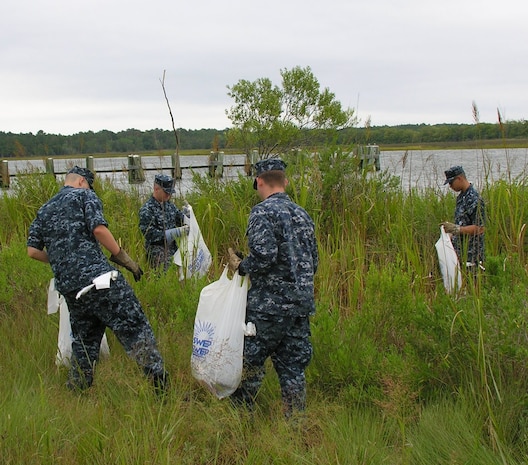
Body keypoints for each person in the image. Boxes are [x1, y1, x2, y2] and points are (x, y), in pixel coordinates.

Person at [27, 166, 168, 392]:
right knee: (135, 328)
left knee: (84, 343)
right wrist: (125, 260)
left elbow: (32, 251)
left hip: (72, 290)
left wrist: (60, 260)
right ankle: (161, 386)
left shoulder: (44, 210)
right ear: (83, 181)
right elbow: (99, 230)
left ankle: (77, 391)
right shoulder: (85, 195)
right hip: (100, 281)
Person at [227, 158, 318, 417]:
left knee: (250, 364)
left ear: (259, 181)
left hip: (268, 308)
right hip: (299, 306)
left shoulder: (262, 212)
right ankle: (295, 424)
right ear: (285, 182)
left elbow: (264, 256)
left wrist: (242, 266)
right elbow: (313, 261)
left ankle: (240, 420)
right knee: (293, 369)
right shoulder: (303, 214)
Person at [139, 174, 189, 270]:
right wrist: (174, 233)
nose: (169, 195)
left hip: (173, 249)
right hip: (157, 253)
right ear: (156, 189)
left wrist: (187, 216)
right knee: (164, 279)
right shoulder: (147, 209)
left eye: (170, 193)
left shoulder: (169, 205)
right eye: (166, 192)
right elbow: (149, 234)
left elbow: (180, 220)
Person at [441, 165, 486, 273]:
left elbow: (480, 228)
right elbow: (463, 222)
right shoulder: (462, 197)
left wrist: (457, 229)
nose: (450, 186)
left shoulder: (474, 199)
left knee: (473, 284)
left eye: (451, 182)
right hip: (460, 253)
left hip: (472, 255)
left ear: (459, 178)